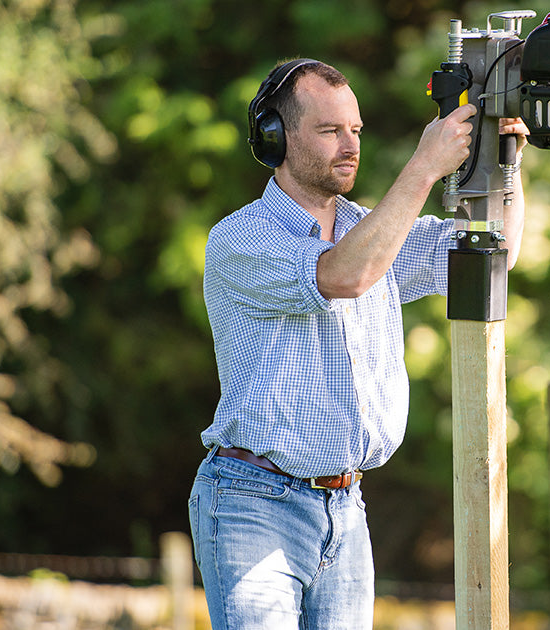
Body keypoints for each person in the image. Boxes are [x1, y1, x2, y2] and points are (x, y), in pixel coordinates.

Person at [188, 58, 528, 630]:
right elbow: (346, 275)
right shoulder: (238, 238)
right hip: (253, 504)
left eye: (356, 130)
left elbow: (497, 252)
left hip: (346, 510)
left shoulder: (371, 229)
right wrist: (425, 166)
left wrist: (509, 165)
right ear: (277, 136)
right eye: (329, 131)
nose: (350, 145)